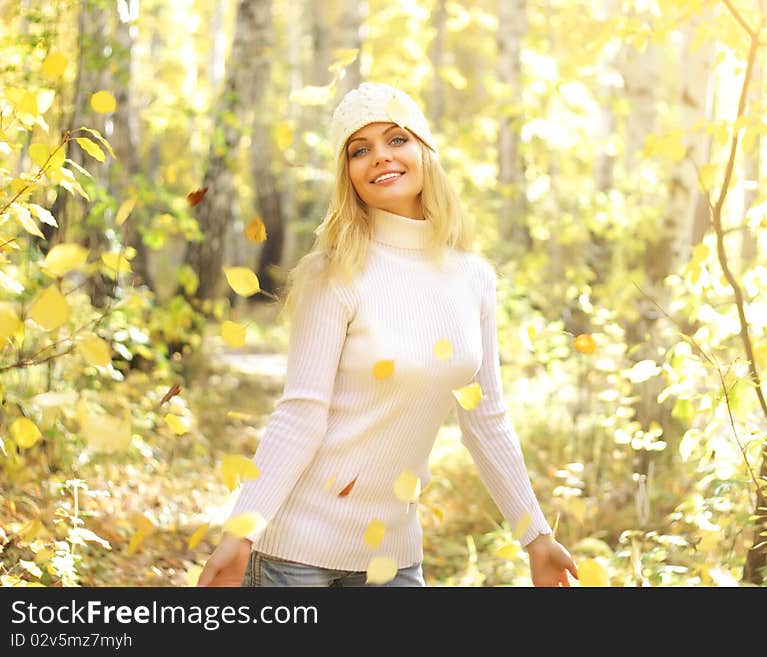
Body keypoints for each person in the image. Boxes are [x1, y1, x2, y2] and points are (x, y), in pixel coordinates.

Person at [197, 82, 578, 587]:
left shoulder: (474, 277)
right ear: (348, 174)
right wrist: (242, 530)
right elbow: (301, 412)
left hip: (392, 558)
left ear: (424, 151)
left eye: (396, 139)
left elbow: (485, 418)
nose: (379, 157)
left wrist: (537, 535)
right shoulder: (331, 273)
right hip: (295, 551)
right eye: (360, 150)